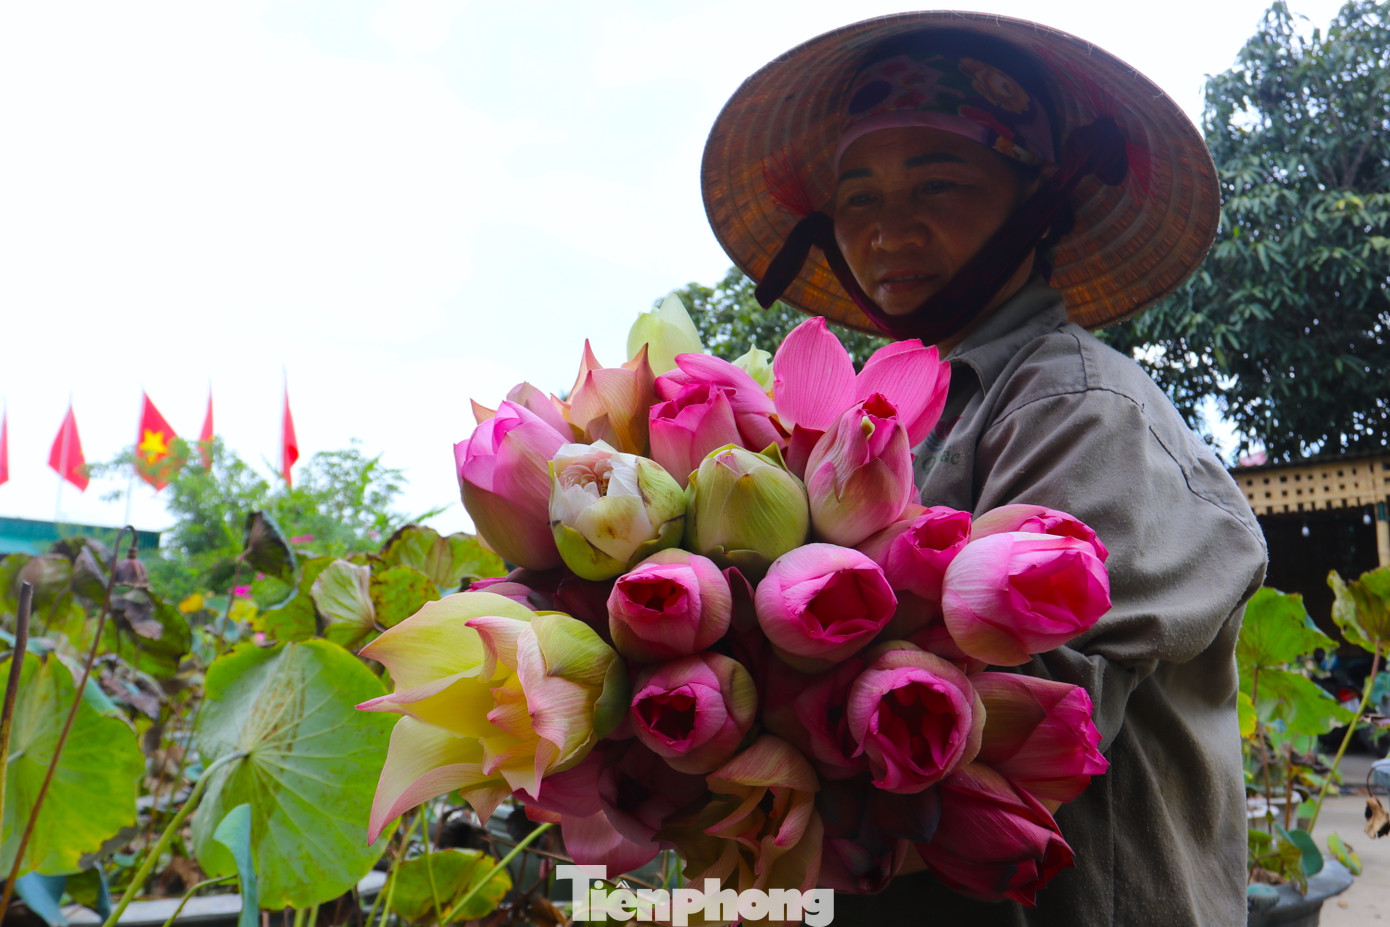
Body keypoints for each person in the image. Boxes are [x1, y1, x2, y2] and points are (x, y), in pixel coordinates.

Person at [701, 12, 1268, 927]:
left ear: (1037, 202)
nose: (886, 230)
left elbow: (1024, 717)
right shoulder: (896, 419)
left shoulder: (1075, 407)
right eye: (858, 198)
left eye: (939, 181)